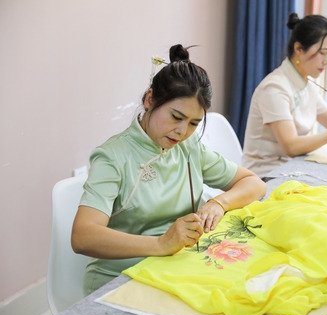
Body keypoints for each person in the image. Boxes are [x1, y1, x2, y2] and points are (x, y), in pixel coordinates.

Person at [71, 44, 267, 295]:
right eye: (176, 117)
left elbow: (254, 183)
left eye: (194, 123)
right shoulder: (112, 157)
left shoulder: (189, 146)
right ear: (150, 99)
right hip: (121, 278)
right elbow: (83, 236)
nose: (182, 131)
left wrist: (219, 203)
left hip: (175, 268)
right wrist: (162, 243)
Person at [242, 13, 327, 178]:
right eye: (322, 52)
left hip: (294, 168)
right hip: (266, 175)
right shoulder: (275, 88)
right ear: (298, 49)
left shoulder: (306, 83)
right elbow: (291, 147)